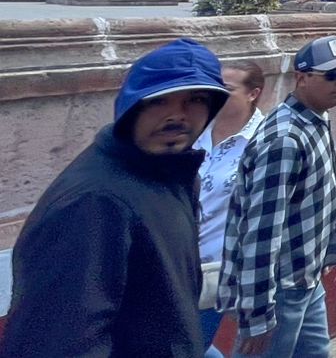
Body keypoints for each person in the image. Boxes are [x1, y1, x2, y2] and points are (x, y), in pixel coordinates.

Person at [1, 40, 229, 358]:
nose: (177, 115)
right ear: (132, 107)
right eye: (159, 101)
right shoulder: (94, 203)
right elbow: (64, 339)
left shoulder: (174, 174)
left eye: (196, 100)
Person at [220, 35, 336, 357]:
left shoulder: (315, 118)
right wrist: (257, 315)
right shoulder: (285, 140)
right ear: (301, 78)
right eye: (332, 74)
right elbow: (261, 232)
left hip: (305, 281)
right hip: (278, 290)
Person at [196, 60, 268, 358]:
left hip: (216, 271)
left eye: (226, 89)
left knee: (189, 343)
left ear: (253, 94)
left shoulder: (265, 142)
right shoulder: (195, 126)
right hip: (173, 257)